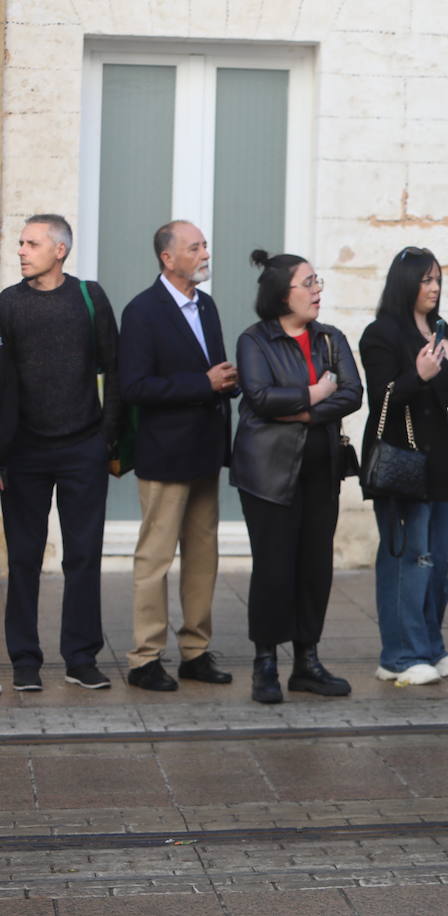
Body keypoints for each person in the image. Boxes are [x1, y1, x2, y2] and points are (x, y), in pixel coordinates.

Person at [233, 250, 362, 704]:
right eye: (308, 283)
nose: (317, 290)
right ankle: (264, 663)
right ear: (280, 294)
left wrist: (303, 412)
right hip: (267, 472)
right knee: (273, 568)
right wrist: (312, 394)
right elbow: (260, 397)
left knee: (314, 568)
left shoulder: (330, 338)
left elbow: (352, 393)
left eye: (317, 281)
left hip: (321, 468)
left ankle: (306, 661)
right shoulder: (255, 340)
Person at [0, 215, 121, 692]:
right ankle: (25, 660)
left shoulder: (90, 298)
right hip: (24, 452)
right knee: (25, 558)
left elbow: (115, 368)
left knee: (84, 556)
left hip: (83, 448)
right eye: (22, 243)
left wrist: (106, 437)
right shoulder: (7, 303)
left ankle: (81, 657)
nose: (22, 251)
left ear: (60, 250)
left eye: (32, 243)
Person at [118, 220, 236, 692]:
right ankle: (145, 658)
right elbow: (134, 387)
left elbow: (213, 371)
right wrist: (202, 384)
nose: (205, 252)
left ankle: (195, 652)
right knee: (156, 558)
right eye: (195, 247)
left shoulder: (206, 306)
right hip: (165, 455)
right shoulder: (142, 311)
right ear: (168, 258)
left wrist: (230, 380)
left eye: (205, 244)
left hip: (205, 451)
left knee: (203, 556)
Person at [360, 247, 448, 687]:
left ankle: (430, 644)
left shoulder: (440, 329)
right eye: (426, 280)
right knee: (410, 555)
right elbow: (381, 399)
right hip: (405, 459)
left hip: (444, 456)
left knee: (443, 557)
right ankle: (399, 655)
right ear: (405, 282)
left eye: (438, 280)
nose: (434, 288)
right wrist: (418, 375)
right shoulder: (381, 333)